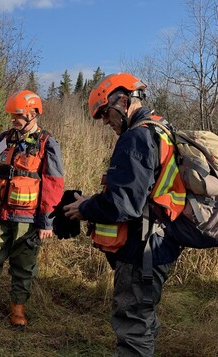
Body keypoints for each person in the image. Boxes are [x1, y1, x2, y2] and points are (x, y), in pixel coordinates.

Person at [64, 73, 186, 356]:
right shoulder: (161, 129)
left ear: (123, 99)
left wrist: (84, 208)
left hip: (142, 250)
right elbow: (142, 193)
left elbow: (124, 205)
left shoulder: (136, 137)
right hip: (160, 243)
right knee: (143, 319)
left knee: (132, 325)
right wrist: (94, 200)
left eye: (105, 113)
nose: (105, 121)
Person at [0, 90, 64, 327]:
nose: (13, 120)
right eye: (12, 115)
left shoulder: (48, 144)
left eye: (17, 115)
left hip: (27, 221)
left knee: (24, 266)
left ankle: (17, 309)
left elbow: (54, 184)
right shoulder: (4, 139)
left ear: (33, 114)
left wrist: (47, 221)